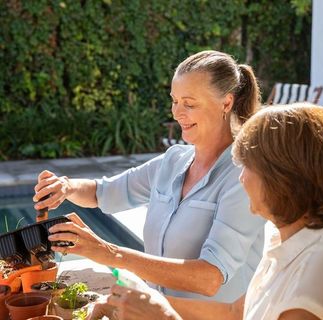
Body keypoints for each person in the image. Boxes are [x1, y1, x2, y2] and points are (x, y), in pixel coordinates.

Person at [90, 103, 323, 320]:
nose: (241, 178)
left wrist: (163, 318)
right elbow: (236, 312)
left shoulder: (314, 283)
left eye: (247, 168)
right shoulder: (304, 232)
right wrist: (136, 302)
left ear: (282, 179)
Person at [33, 50, 266, 303]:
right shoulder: (173, 161)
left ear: (226, 103)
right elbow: (103, 192)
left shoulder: (242, 177)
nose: (177, 112)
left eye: (189, 103)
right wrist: (65, 187)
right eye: (174, 100)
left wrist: (109, 253)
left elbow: (210, 278)